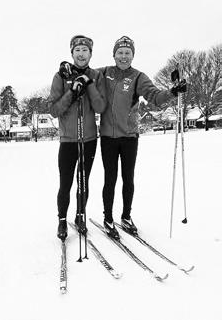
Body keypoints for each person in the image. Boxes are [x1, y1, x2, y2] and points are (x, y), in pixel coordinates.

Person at [97, 36, 186, 239]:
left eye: (128, 53)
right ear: (114, 54)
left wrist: (172, 91)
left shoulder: (138, 77)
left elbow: (154, 96)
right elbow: (85, 75)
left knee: (128, 178)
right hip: (108, 138)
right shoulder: (104, 73)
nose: (123, 56)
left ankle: (126, 216)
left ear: (133, 55)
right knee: (109, 179)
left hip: (129, 136)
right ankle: (108, 218)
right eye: (120, 52)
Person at [48, 35, 106, 241]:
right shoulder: (61, 76)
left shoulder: (97, 75)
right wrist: (72, 92)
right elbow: (54, 110)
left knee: (83, 181)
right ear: (72, 53)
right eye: (78, 50)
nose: (81, 54)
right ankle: (62, 219)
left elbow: (100, 107)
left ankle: (80, 215)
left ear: (91, 53)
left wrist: (87, 83)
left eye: (85, 50)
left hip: (89, 138)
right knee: (65, 183)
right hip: (68, 140)